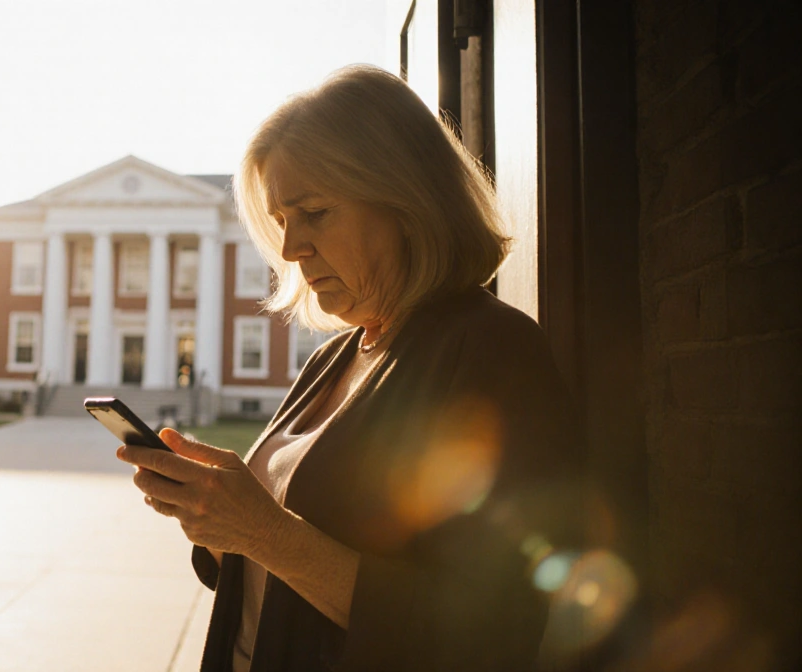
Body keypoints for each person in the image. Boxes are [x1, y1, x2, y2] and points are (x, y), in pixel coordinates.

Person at [116, 65, 582, 671]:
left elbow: (495, 631)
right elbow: (282, 559)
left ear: (406, 201)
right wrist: (216, 515)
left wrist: (264, 532)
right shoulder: (334, 357)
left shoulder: (493, 351)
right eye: (283, 221)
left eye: (314, 212)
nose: (290, 250)